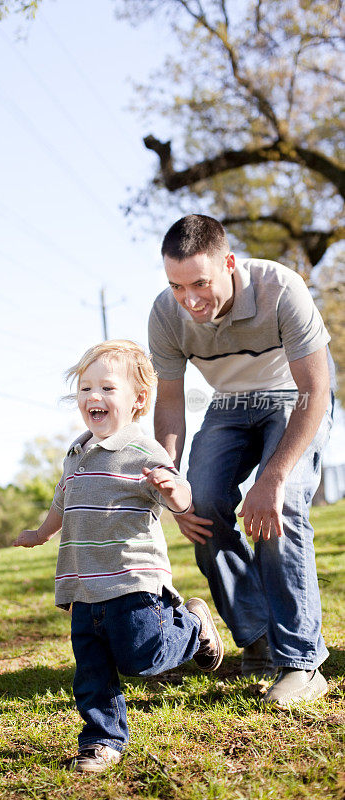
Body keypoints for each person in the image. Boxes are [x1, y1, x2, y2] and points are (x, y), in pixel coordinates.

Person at [148, 214, 333, 708]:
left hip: (292, 398)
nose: (189, 299)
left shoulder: (280, 287)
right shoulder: (166, 313)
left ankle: (302, 663)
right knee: (201, 507)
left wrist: (273, 477)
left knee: (282, 507)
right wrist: (169, 474)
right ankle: (258, 637)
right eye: (177, 285)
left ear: (228, 264)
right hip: (228, 404)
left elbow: (316, 390)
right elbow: (169, 404)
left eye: (200, 283)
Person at [13, 339, 223, 773]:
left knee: (142, 658)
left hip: (132, 579)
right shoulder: (75, 452)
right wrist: (40, 533)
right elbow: (62, 502)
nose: (94, 397)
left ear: (138, 400)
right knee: (92, 673)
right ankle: (101, 741)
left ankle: (194, 626)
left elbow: (182, 497)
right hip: (82, 584)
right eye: (85, 388)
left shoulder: (144, 452)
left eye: (107, 388)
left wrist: (174, 493)